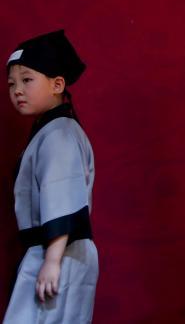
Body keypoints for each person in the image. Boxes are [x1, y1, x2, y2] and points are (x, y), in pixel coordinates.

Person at [4, 30, 97, 324]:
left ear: (57, 84)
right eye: (11, 84)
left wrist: (53, 260)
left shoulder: (60, 134)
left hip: (61, 249)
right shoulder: (50, 131)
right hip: (53, 250)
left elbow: (62, 197)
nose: (17, 90)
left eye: (27, 80)